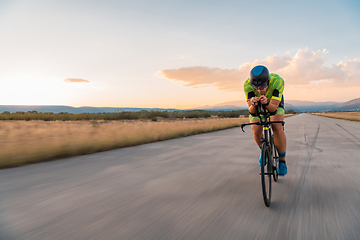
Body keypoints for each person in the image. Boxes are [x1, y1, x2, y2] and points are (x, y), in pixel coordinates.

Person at [243, 65, 287, 175]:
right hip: (257, 105)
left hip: (273, 102)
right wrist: (253, 104)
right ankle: (264, 150)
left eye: (262, 85)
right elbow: (252, 111)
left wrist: (267, 103)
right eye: (256, 87)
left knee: (276, 126)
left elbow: (273, 109)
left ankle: (282, 161)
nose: (259, 89)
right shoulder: (247, 85)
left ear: (268, 81)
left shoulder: (278, 81)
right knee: (256, 129)